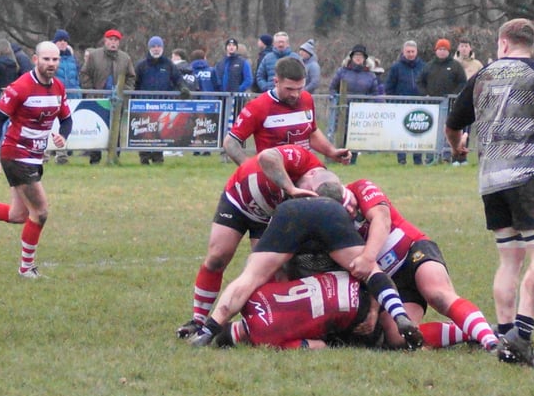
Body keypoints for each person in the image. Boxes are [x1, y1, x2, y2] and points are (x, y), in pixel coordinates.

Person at [445, 18, 534, 367]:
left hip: (491, 180)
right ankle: (521, 336)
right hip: (528, 177)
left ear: (503, 43)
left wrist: (457, 148)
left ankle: (505, 337)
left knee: (510, 259)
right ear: (529, 44)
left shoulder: (482, 75)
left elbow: (453, 124)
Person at [187, 196, 424, 350]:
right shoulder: (257, 303)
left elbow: (314, 345)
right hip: (327, 213)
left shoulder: (264, 334)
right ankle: (398, 312)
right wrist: (374, 309)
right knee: (370, 270)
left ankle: (208, 330)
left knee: (250, 278)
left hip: (292, 218)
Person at [307, 177, 500, 353]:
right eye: (344, 212)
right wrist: (373, 309)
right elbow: (365, 275)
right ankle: (474, 331)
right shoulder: (330, 229)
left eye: (351, 204)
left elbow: (382, 219)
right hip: (391, 283)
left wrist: (368, 256)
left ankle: (492, 343)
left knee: (437, 294)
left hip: (413, 251)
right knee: (398, 339)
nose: (351, 211)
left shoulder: (361, 187)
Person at [175, 144, 326, 337]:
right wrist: (290, 188)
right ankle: (198, 321)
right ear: (312, 174)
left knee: (270, 271)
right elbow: (267, 156)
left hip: (268, 216)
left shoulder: (320, 190)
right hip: (238, 200)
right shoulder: (303, 159)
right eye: (308, 191)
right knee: (217, 258)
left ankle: (265, 322)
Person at [0, 41, 72, 279]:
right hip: (16, 155)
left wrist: (63, 136)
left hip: (34, 158)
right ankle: (26, 269)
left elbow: (67, 119)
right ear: (35, 58)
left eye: (55, 59)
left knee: (17, 216)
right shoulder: (20, 87)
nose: (51, 64)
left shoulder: (58, 87)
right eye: (46, 59)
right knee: (40, 212)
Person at [216, 270, 479, 350]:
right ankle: (472, 330)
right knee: (399, 328)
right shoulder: (254, 296)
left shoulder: (266, 339)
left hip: (356, 312)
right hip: (362, 279)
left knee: (394, 342)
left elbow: (318, 348)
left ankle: (467, 332)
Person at [223, 56, 351, 166]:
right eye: (289, 89)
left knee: (331, 187)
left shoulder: (306, 98)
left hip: (305, 168)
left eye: (299, 88)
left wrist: (331, 152)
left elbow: (311, 132)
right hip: (276, 173)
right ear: (276, 82)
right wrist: (249, 167)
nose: (295, 94)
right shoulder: (257, 107)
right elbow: (230, 141)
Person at [80, 28, 136, 164]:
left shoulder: (125, 58)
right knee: (96, 128)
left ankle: (114, 157)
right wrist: (91, 91)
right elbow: (84, 74)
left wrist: (124, 92)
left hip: (117, 101)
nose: (113, 43)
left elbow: (131, 77)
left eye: (116, 40)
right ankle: (94, 158)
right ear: (105, 41)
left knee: (115, 130)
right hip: (98, 99)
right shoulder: (94, 56)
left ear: (119, 43)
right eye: (110, 40)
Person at [134, 36, 191, 165]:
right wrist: (135, 100)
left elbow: (178, 78)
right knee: (145, 132)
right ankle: (144, 157)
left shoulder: (168, 64)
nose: (156, 49)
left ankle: (158, 157)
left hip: (162, 105)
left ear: (162, 48)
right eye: (153, 46)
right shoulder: (141, 65)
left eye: (158, 46)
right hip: (145, 105)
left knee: (159, 132)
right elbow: (135, 83)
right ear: (149, 48)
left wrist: (183, 88)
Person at [328, 44, 382, 164]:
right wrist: (334, 99)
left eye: (361, 56)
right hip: (343, 108)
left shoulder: (370, 75)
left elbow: (374, 93)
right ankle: (338, 158)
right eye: (356, 55)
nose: (358, 58)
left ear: (364, 58)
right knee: (342, 134)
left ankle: (353, 160)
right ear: (351, 57)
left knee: (356, 136)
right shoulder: (342, 71)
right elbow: (333, 87)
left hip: (361, 111)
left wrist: (371, 105)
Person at [418, 38, 467, 164]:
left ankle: (447, 156)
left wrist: (453, 95)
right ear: (436, 50)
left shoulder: (456, 66)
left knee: (448, 131)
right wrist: (426, 94)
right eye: (440, 49)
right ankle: (430, 157)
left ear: (448, 51)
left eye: (444, 49)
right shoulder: (428, 66)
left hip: (450, 105)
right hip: (432, 106)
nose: (442, 52)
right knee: (431, 131)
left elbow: (462, 82)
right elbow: (420, 82)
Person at [385, 40, 426, 165]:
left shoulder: (423, 66)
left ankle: (417, 159)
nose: (410, 54)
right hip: (400, 105)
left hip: (419, 105)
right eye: (408, 52)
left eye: (412, 51)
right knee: (401, 133)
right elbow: (389, 87)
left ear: (416, 52)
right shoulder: (396, 68)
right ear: (403, 52)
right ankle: (401, 159)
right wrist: (391, 102)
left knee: (418, 133)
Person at [52, 29, 81, 165]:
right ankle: (44, 154)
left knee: (64, 125)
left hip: (70, 97)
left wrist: (77, 91)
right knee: (49, 124)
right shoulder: (51, 58)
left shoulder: (72, 59)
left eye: (65, 41)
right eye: (60, 40)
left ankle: (61, 154)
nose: (63, 43)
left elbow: (76, 77)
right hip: (53, 95)